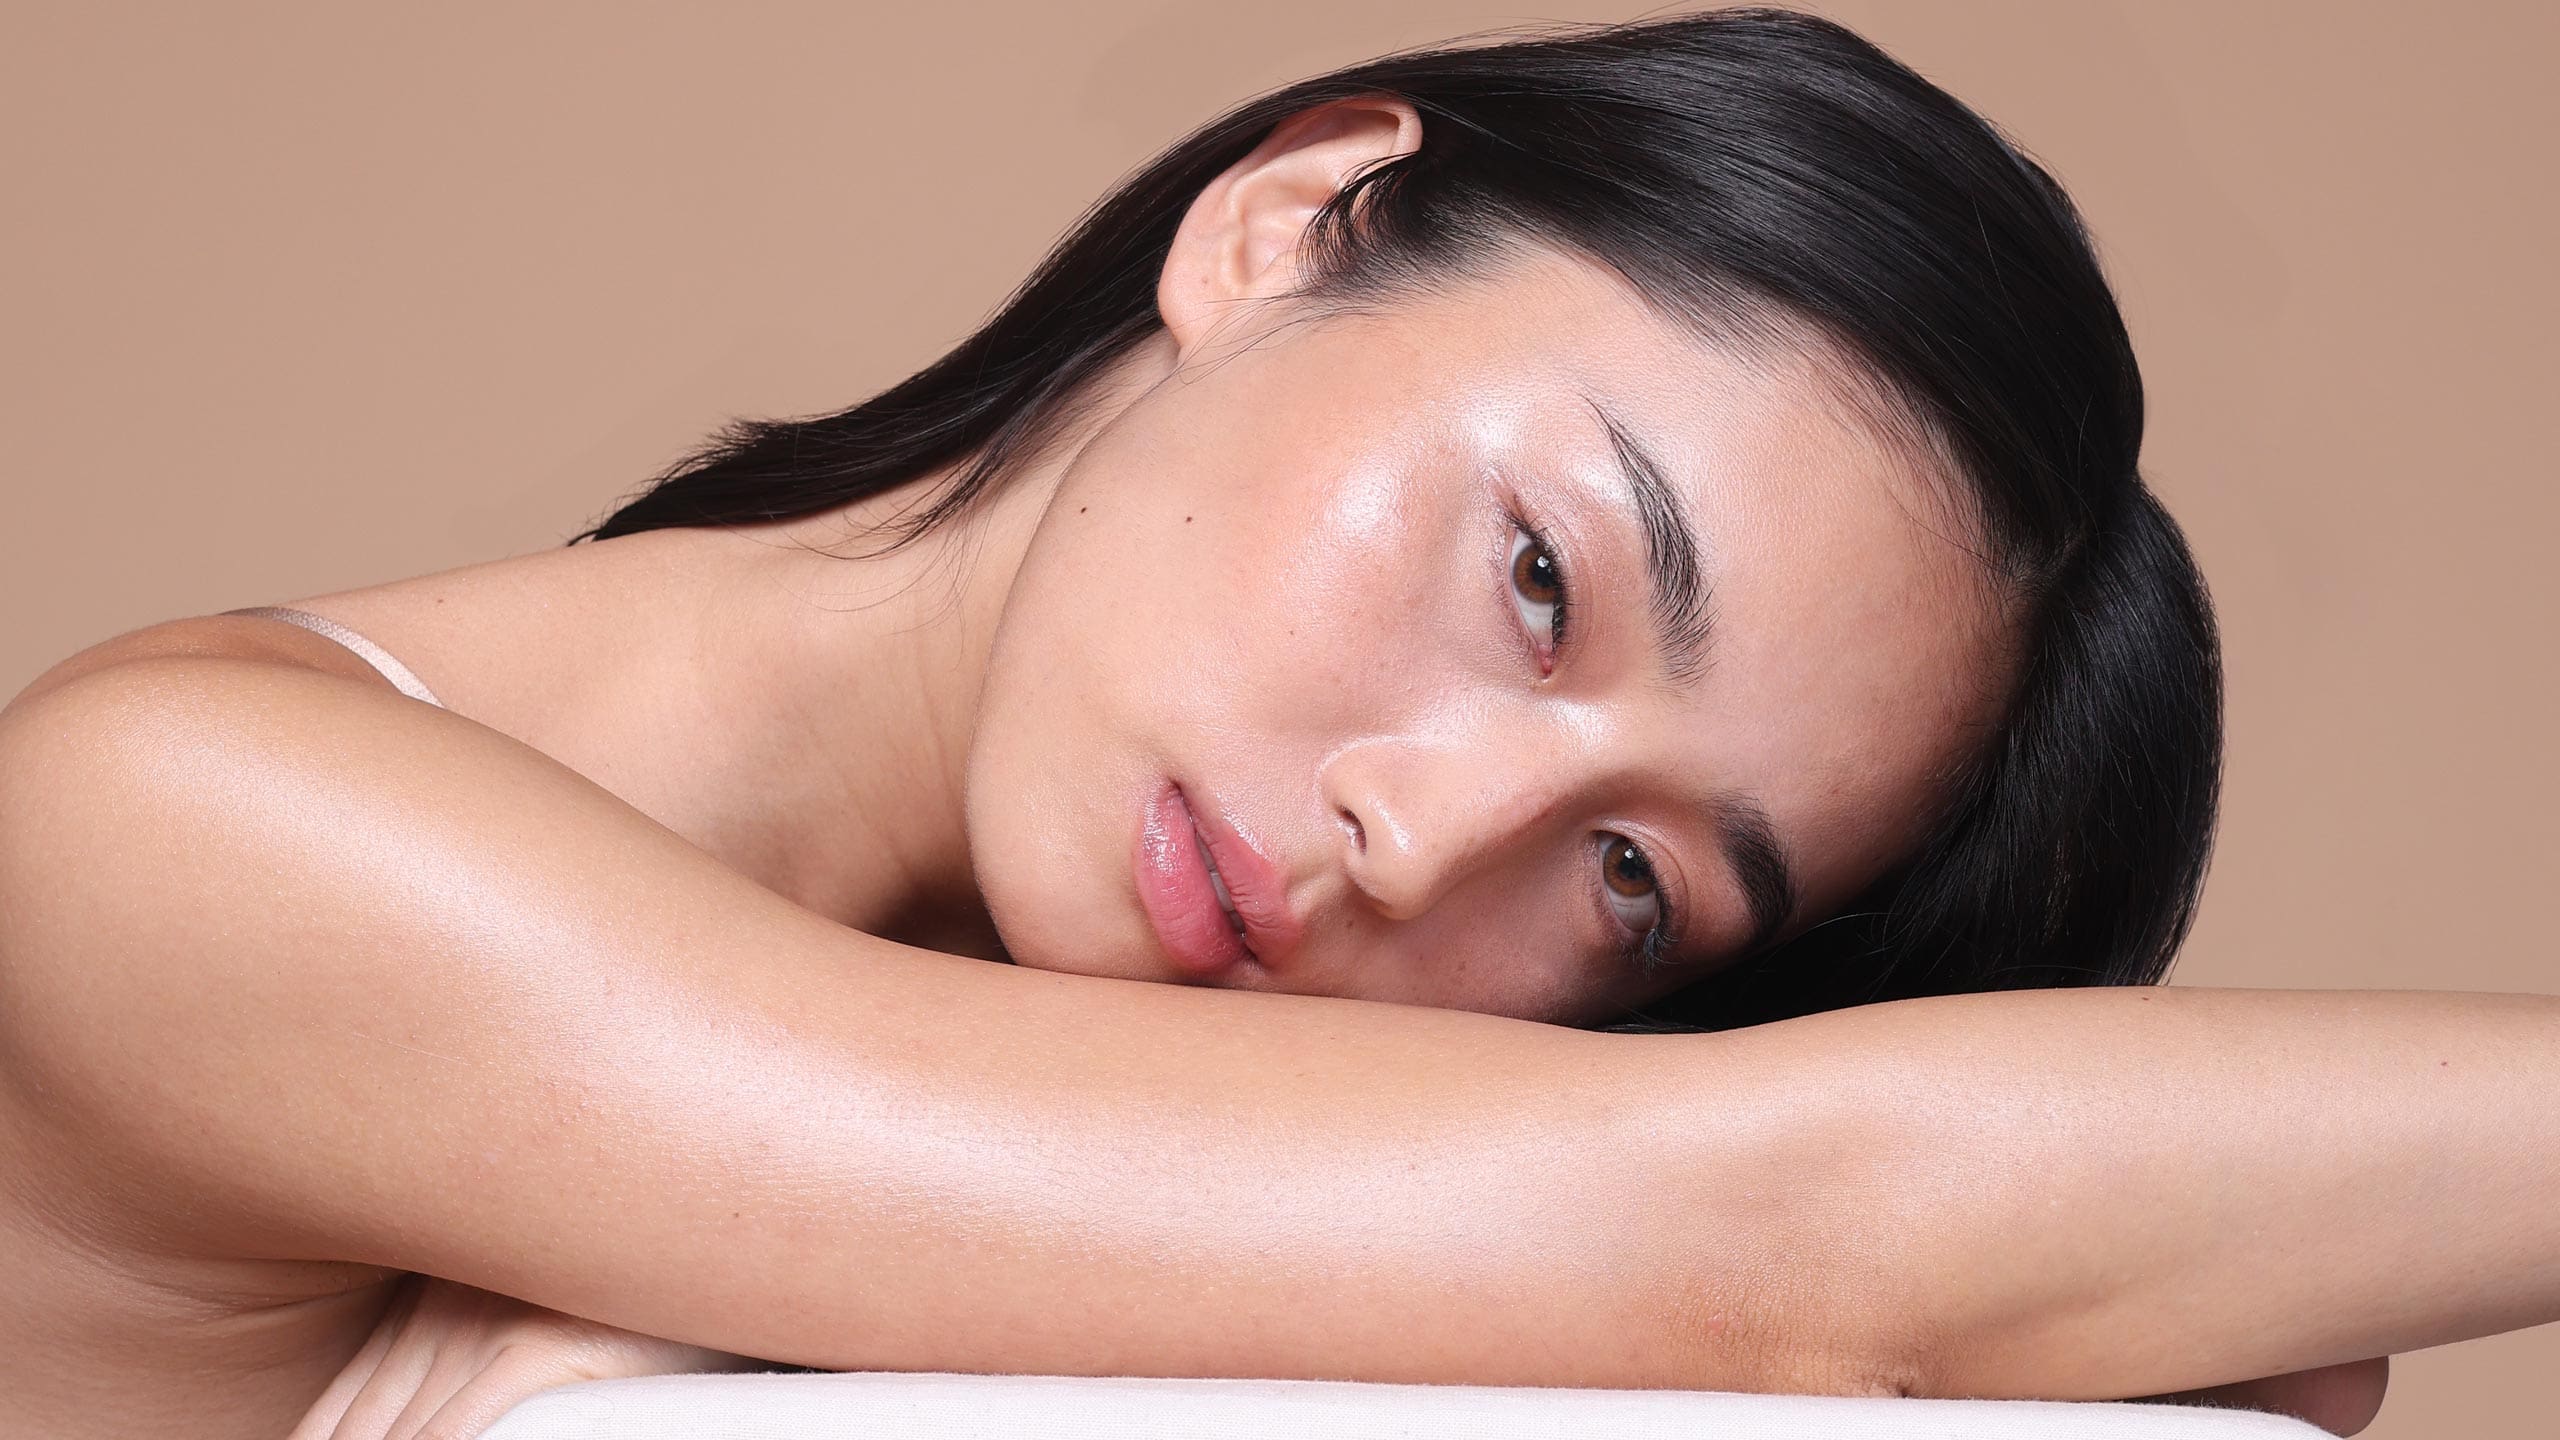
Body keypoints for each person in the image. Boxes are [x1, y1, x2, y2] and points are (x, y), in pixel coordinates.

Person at [0, 9, 2547, 1439]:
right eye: (1537, 578)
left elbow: (2279, 1346)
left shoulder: (928, 1115)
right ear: (1283, 225)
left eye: (1633, 886)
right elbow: (1797, 1248)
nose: (1423, 838)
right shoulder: (183, 831)